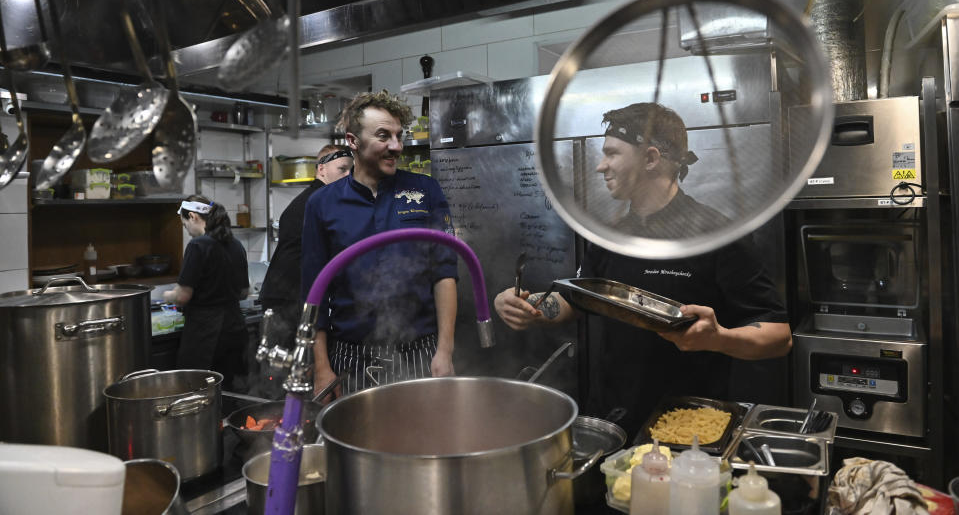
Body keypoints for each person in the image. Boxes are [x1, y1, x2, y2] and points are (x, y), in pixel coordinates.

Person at [494, 102, 792, 438]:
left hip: (687, 428)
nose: (600, 166)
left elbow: (779, 337)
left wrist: (719, 339)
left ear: (650, 159)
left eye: (611, 154)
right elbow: (575, 301)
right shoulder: (611, 235)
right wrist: (529, 306)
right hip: (611, 418)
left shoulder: (716, 235)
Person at [302, 90, 458, 398]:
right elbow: (312, 292)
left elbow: (445, 275)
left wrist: (445, 351)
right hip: (351, 358)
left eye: (399, 136)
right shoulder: (322, 204)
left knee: (424, 442)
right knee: (357, 442)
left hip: (420, 353)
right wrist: (321, 368)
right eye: (383, 136)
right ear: (353, 141)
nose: (396, 147)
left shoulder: (425, 191)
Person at [258, 144, 353, 338]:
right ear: (321, 168)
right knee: (289, 364)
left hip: (286, 296)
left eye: (351, 171)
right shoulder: (320, 201)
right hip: (289, 300)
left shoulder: (315, 198)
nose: (348, 176)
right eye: (342, 169)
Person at [164, 195, 250, 390]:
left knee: (199, 392)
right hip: (235, 330)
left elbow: (183, 296)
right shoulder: (236, 245)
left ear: (193, 216)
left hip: (206, 335)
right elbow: (244, 292)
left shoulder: (197, 245)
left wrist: (167, 296)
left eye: (184, 224)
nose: (186, 230)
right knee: (232, 392)